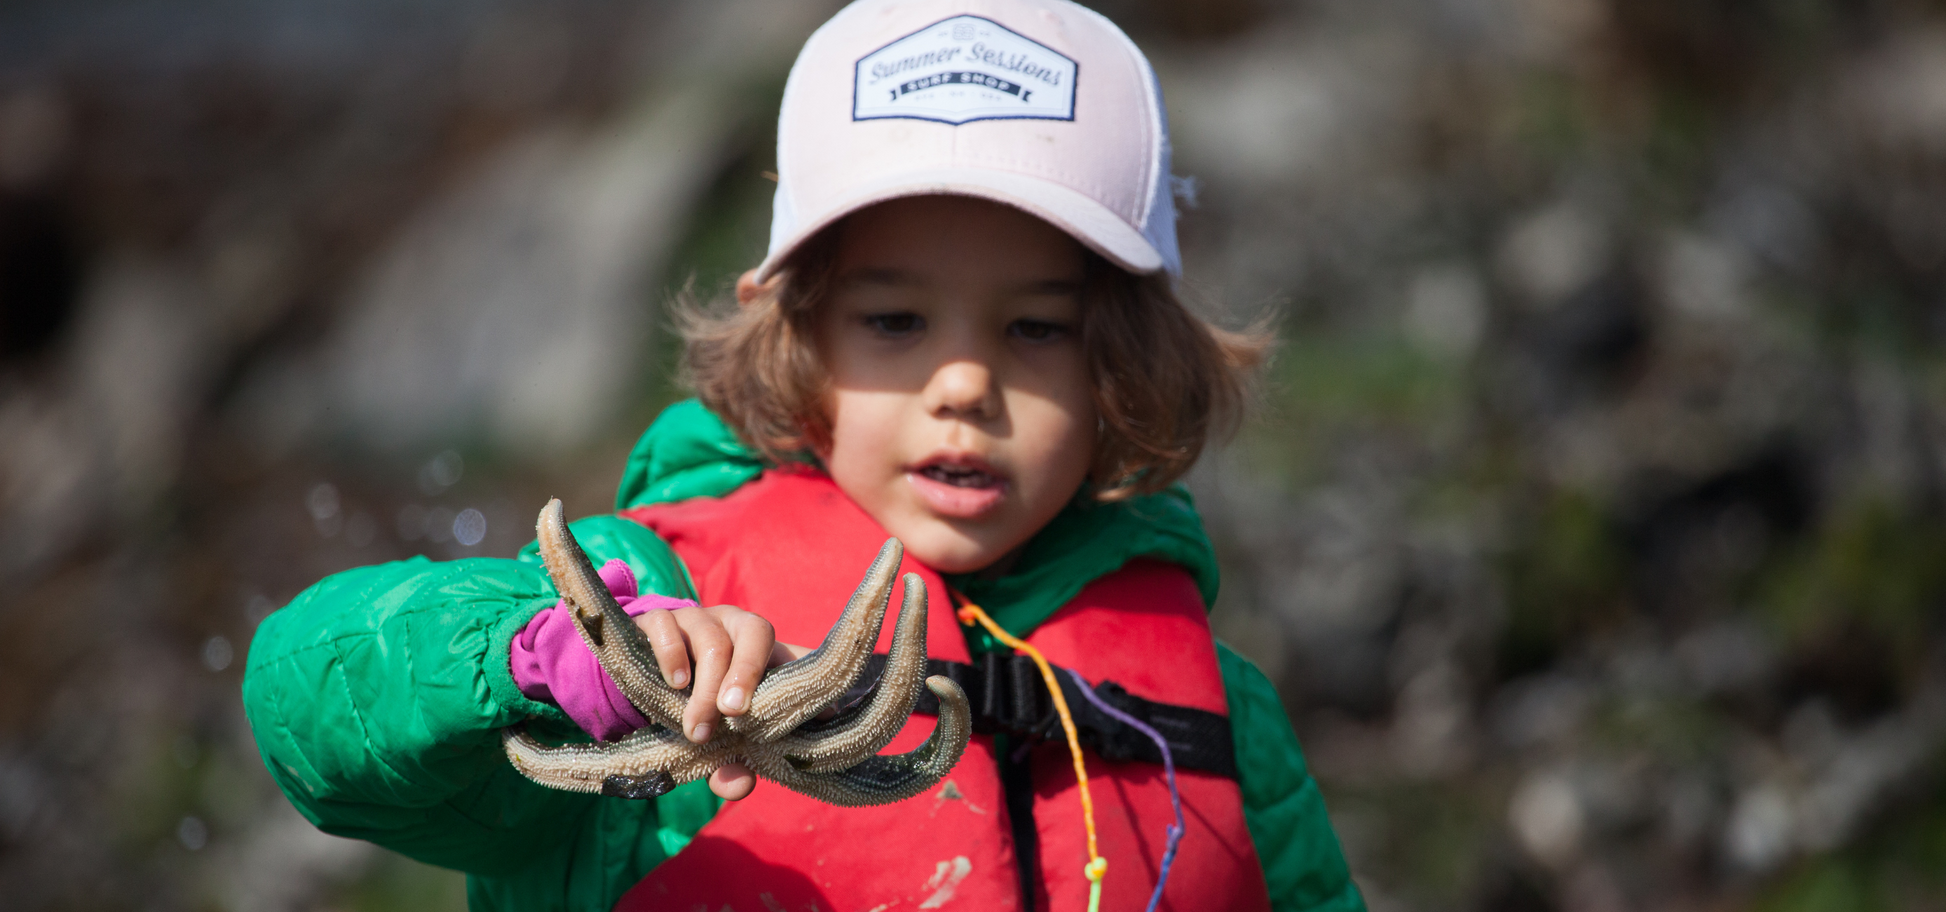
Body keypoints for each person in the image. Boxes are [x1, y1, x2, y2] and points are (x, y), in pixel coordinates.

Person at [242, 1, 1364, 910]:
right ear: (797, 338)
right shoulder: (641, 616)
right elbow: (305, 698)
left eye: (1034, 328)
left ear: (1122, 359)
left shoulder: (1222, 708)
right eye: (892, 322)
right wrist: (545, 658)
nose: (963, 384)